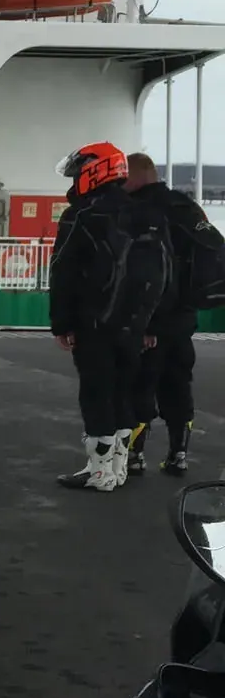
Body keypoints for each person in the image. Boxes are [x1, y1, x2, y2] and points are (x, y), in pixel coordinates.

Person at [49, 140, 172, 492]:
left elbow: (64, 272)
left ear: (94, 172)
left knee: (96, 392)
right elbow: (166, 273)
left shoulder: (83, 214)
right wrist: (152, 323)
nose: (74, 183)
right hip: (135, 323)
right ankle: (115, 467)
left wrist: (62, 322)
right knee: (122, 391)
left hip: (95, 321)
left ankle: (100, 472)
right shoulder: (148, 214)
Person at [125, 152, 213, 476]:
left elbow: (145, 272)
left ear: (136, 176)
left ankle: (134, 456)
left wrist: (145, 323)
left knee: (140, 384)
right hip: (183, 320)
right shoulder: (186, 207)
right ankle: (178, 455)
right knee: (178, 384)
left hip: (151, 319)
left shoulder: (140, 211)